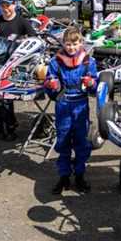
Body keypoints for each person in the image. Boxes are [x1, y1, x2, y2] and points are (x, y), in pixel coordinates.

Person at [45, 27, 98, 194]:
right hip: (63, 105)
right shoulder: (56, 62)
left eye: (75, 44)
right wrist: (52, 85)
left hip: (81, 105)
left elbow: (96, 89)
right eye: (68, 44)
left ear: (81, 43)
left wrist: (91, 84)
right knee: (63, 141)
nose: (71, 48)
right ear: (63, 44)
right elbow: (49, 84)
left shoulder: (88, 61)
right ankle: (64, 176)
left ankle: (80, 175)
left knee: (82, 142)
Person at [0, 0, 37, 140]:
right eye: (3, 5)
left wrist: (21, 43)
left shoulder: (22, 22)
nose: (6, 9)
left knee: (6, 97)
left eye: (8, 5)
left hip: (13, 65)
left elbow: (35, 41)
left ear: (15, 5)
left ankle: (11, 128)